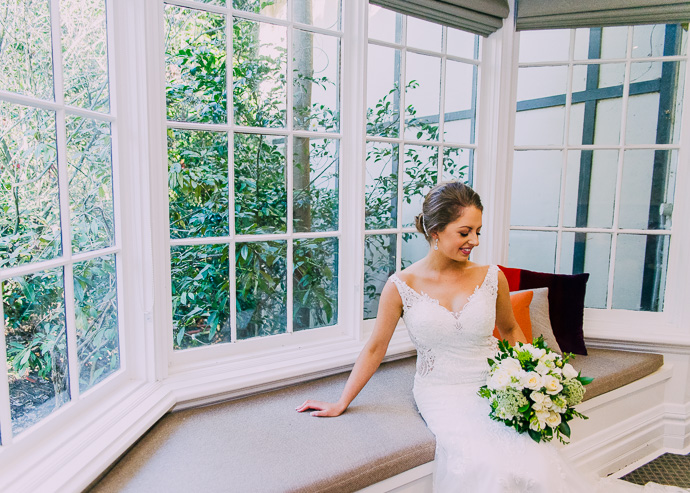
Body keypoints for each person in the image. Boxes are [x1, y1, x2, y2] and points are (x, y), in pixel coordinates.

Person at [296, 181, 686, 493]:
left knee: (534, 455)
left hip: (496, 382)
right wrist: (340, 402)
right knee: (482, 462)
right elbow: (375, 348)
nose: (475, 241)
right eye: (465, 232)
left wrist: (538, 375)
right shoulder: (401, 285)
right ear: (435, 232)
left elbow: (513, 330)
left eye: (478, 231)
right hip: (442, 390)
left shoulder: (490, 276)